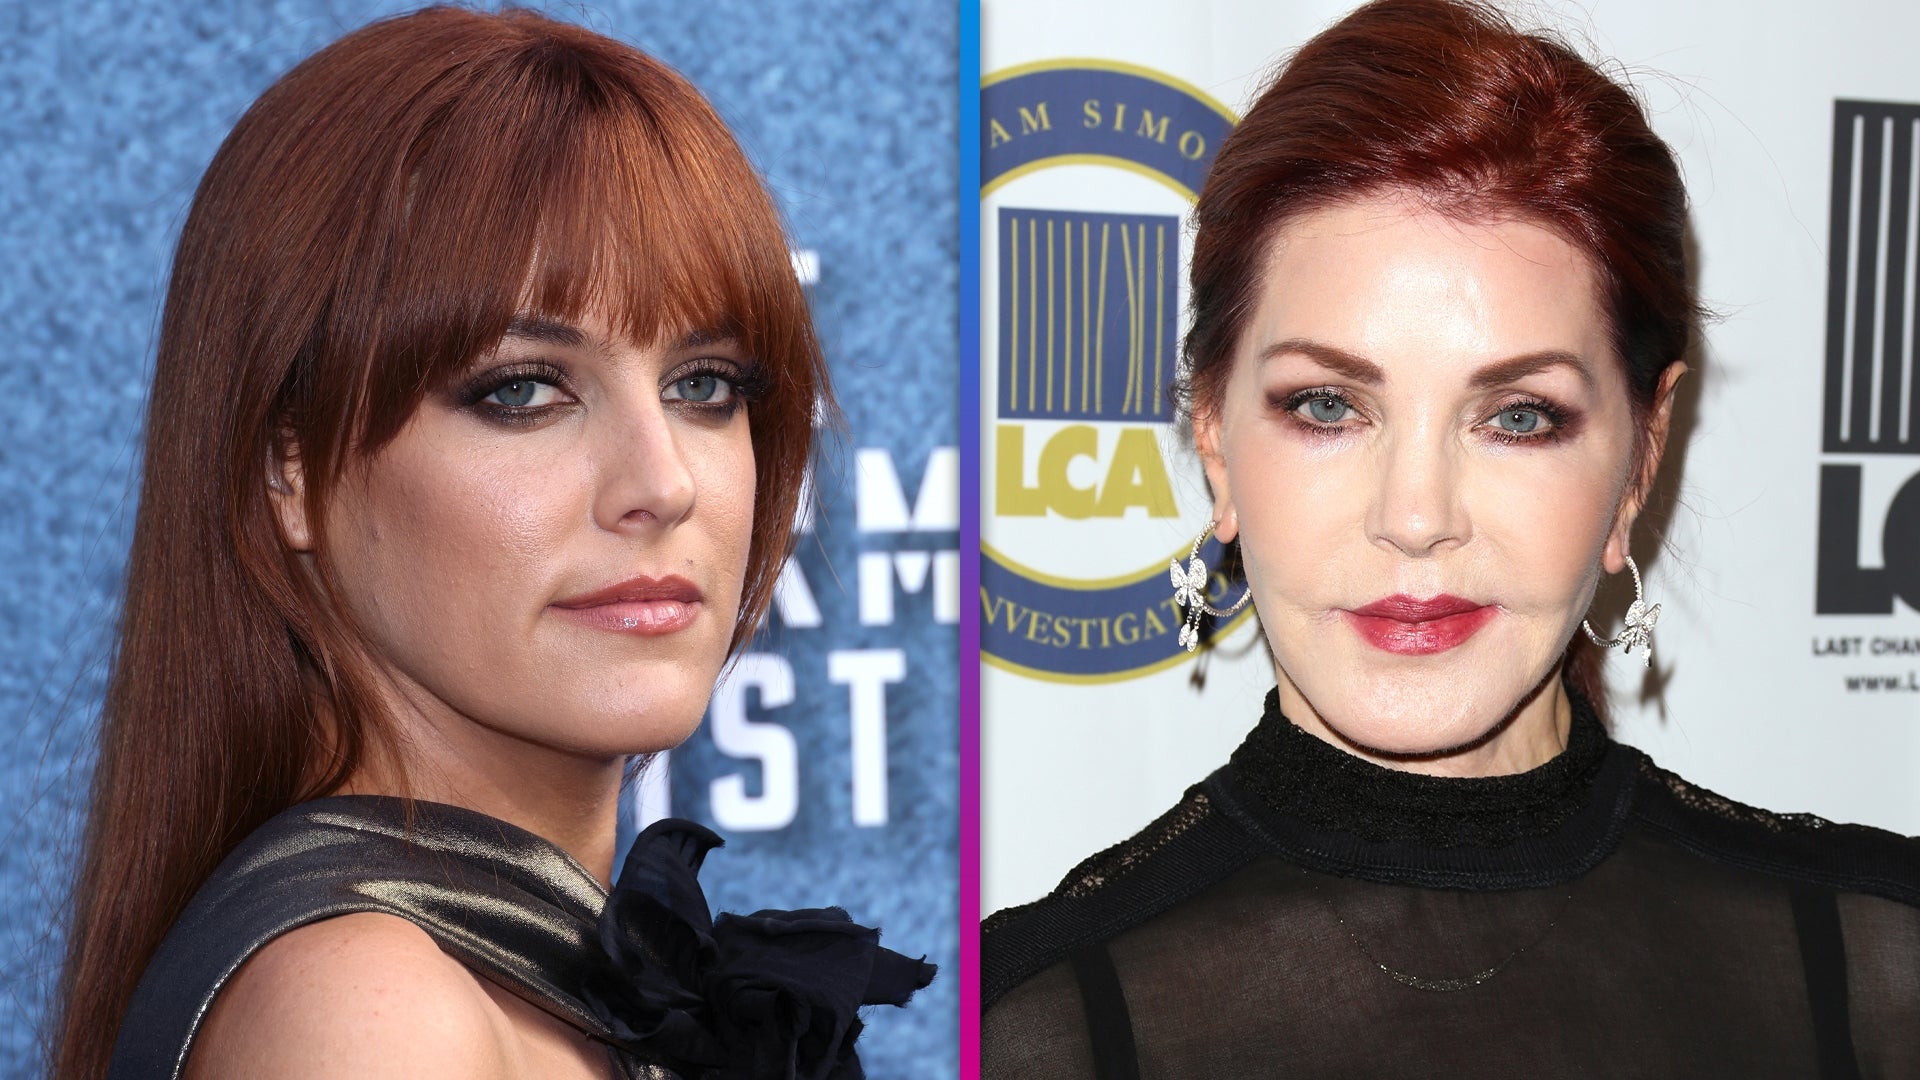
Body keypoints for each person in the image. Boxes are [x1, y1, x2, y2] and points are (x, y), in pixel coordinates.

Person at [981, 1, 1920, 1075]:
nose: (1417, 517)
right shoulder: (1029, 1024)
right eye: (1327, 406)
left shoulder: (1876, 966)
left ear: (1641, 458)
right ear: (1216, 442)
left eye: (1518, 417)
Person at [51, 9, 932, 1079]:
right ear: (292, 473)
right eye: (522, 391)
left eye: (705, 385)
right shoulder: (376, 1017)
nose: (662, 484)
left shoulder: (462, 983)